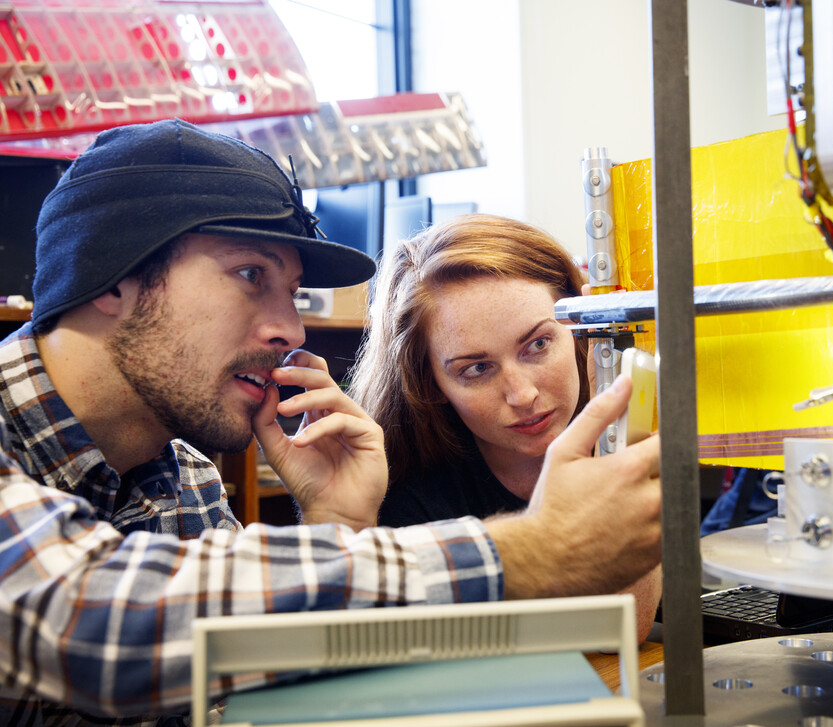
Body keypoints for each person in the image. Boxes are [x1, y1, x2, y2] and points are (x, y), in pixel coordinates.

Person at [0, 119, 662, 725]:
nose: (290, 328)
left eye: (290, 290)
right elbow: (89, 622)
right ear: (114, 276)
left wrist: (333, 521)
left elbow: (245, 702)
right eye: (250, 272)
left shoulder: (184, 481)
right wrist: (533, 549)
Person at [349, 214, 662, 642]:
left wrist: (624, 422)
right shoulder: (407, 498)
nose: (522, 395)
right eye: (477, 368)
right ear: (431, 384)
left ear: (579, 329)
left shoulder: (642, 424)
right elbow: (616, 631)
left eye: (538, 344)